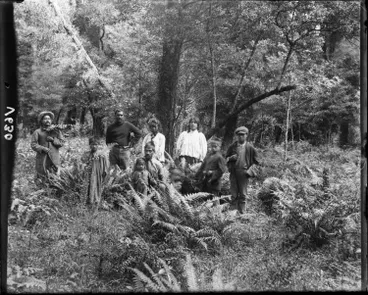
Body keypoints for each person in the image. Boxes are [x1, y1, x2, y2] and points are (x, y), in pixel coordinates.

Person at [225, 126, 259, 214]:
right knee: (233, 193)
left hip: (244, 173)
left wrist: (250, 171)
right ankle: (233, 213)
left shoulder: (250, 148)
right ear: (236, 136)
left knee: (243, 194)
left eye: (243, 135)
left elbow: (257, 162)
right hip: (233, 172)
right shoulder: (232, 147)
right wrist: (231, 158)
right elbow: (226, 158)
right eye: (239, 135)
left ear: (246, 135)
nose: (240, 137)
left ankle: (242, 212)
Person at [31, 111, 65, 180]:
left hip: (54, 158)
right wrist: (42, 148)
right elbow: (33, 144)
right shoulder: (37, 132)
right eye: (45, 119)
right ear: (41, 120)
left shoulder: (57, 131)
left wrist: (53, 140)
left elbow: (61, 143)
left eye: (49, 119)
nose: (47, 120)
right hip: (42, 158)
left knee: (55, 176)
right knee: (42, 176)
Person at [81, 137, 109, 206]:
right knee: (88, 186)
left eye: (96, 144)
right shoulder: (87, 154)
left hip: (97, 174)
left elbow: (105, 165)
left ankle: (95, 201)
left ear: (98, 145)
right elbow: (83, 161)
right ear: (89, 145)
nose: (94, 146)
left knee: (96, 186)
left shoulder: (101, 155)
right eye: (92, 144)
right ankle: (88, 201)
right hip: (89, 173)